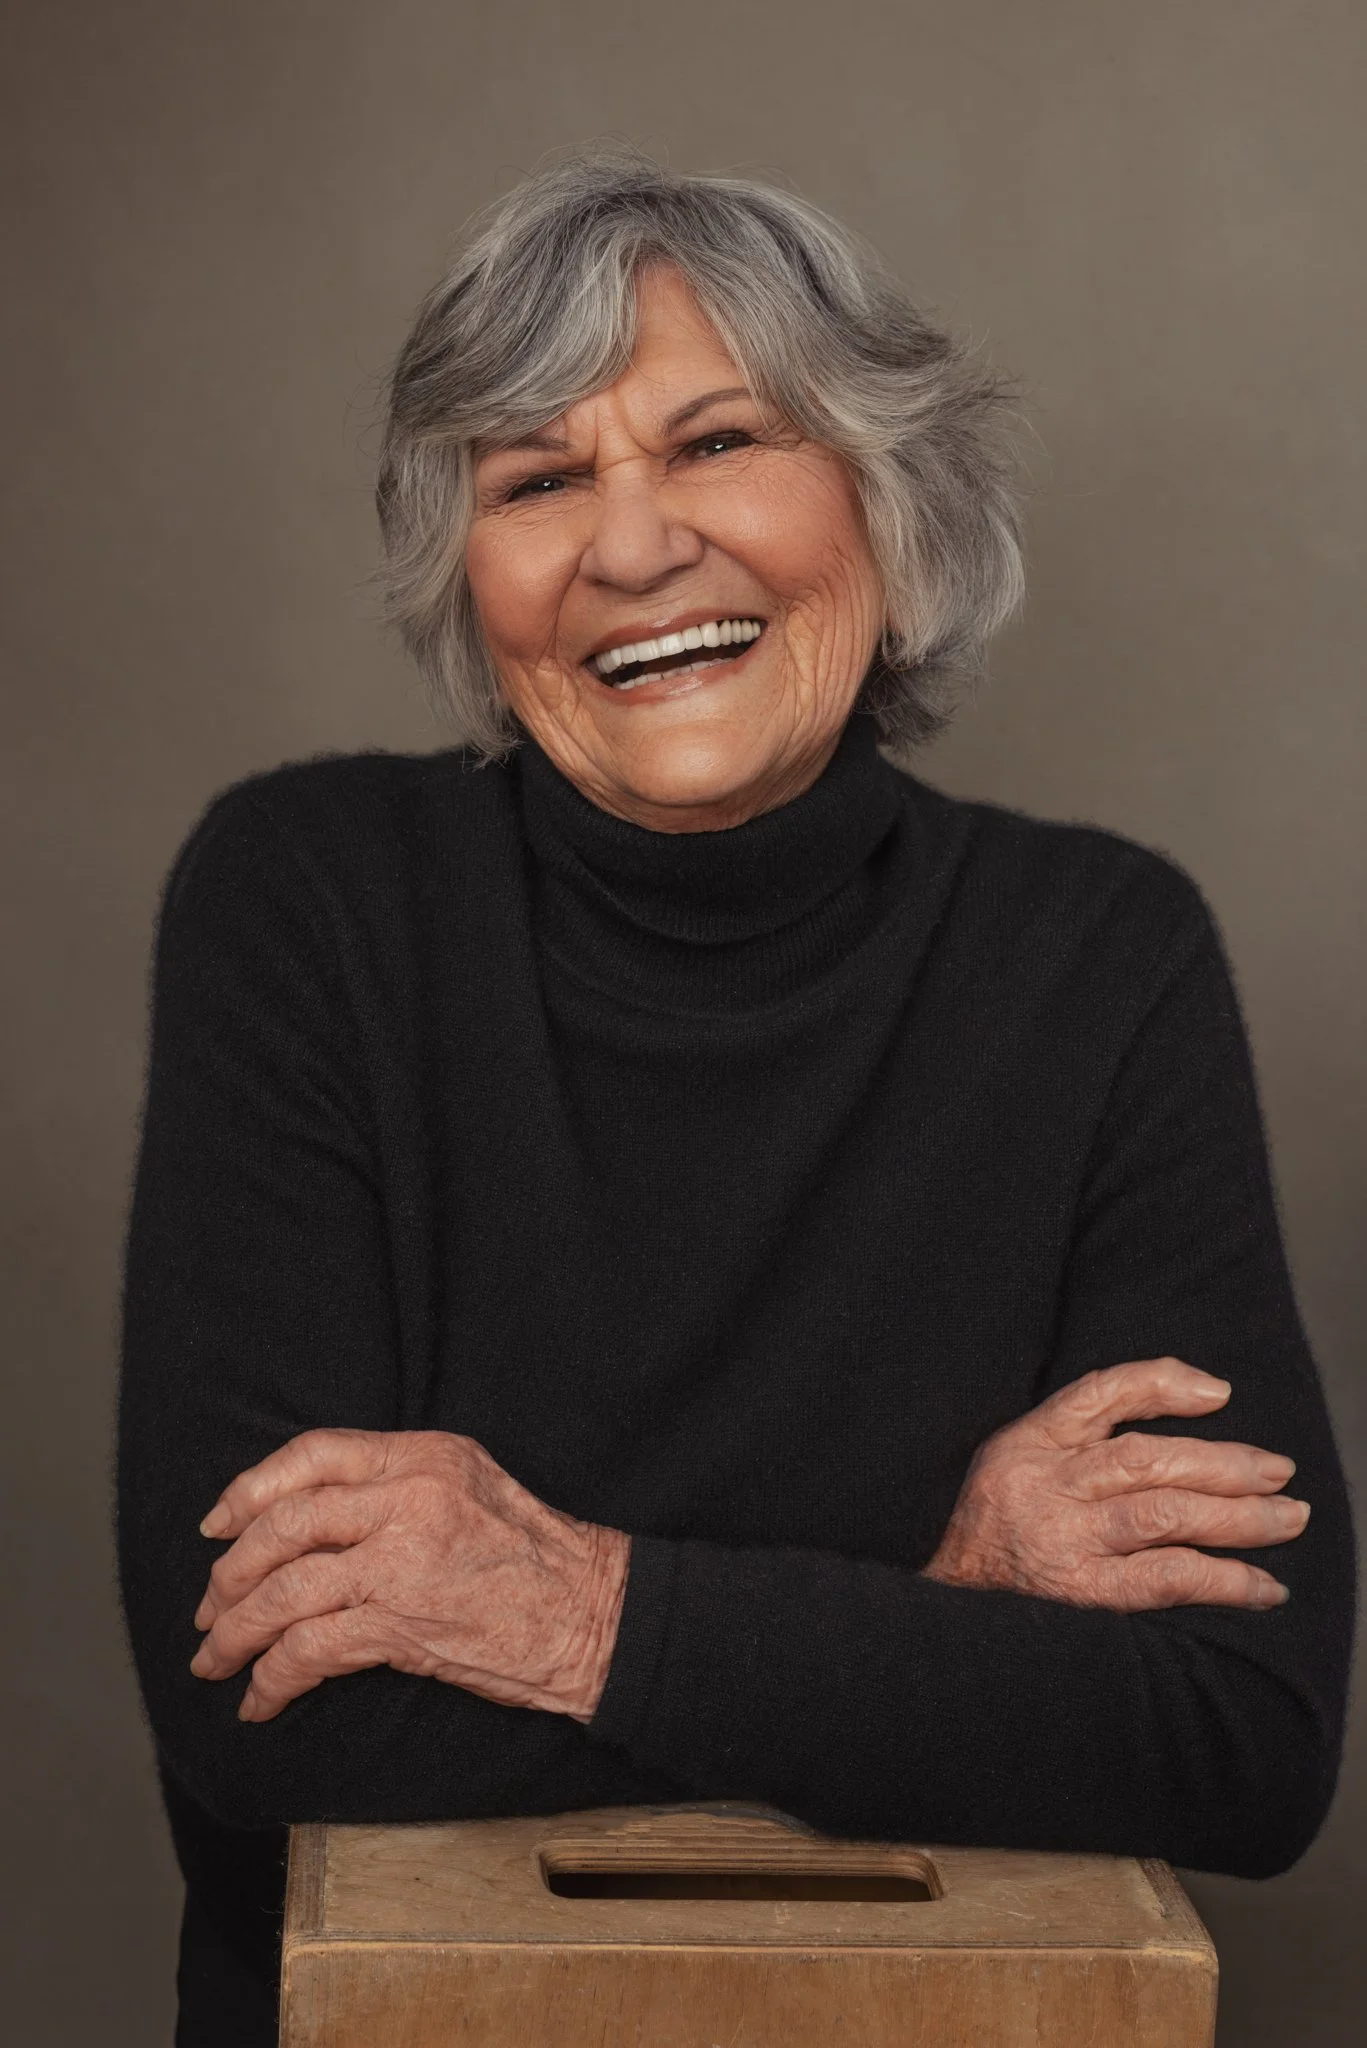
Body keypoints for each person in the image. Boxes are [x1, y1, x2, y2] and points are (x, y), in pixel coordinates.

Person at [116, 147, 1356, 2047]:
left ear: (884, 492)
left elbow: (1235, 1747)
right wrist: (948, 1603)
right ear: (473, 573)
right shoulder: (309, 901)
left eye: (714, 444)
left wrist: (566, 1607)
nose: (628, 550)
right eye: (535, 482)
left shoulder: (1096, 950)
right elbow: (272, 1719)